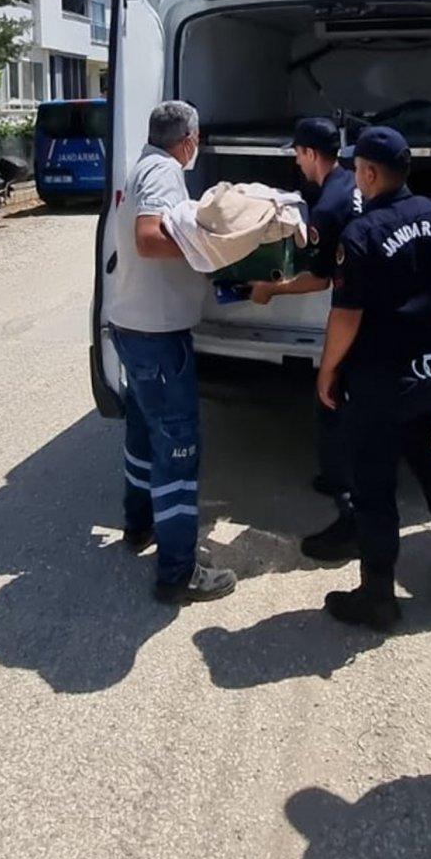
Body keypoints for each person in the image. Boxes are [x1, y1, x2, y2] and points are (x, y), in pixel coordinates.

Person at [317, 125, 431, 632]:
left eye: (355, 169)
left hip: (378, 382)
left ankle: (379, 596)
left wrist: (327, 371)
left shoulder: (361, 234)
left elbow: (346, 316)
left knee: (374, 488)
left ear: (368, 172)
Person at [108, 100, 237, 605]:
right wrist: (210, 251)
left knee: (143, 436)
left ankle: (138, 525)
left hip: (132, 327)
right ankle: (177, 573)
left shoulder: (140, 166)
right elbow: (147, 238)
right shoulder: (163, 172)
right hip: (158, 338)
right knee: (178, 450)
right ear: (189, 140)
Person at [250, 116, 362, 561]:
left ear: (311, 154)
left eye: (297, 153)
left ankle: (346, 497)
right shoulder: (351, 181)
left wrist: (271, 289)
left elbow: (319, 279)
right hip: (385, 307)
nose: (295, 162)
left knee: (333, 398)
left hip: (358, 312)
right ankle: (340, 480)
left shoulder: (330, 206)